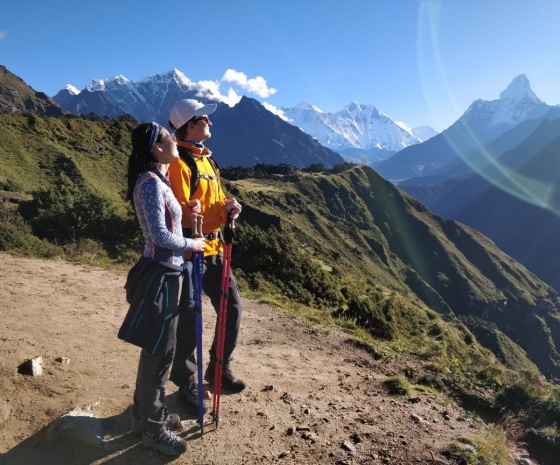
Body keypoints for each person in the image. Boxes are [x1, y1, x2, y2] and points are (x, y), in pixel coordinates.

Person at [125, 121, 205, 456]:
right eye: (170, 138)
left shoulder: (158, 180)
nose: (175, 142)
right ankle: (153, 431)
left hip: (167, 272)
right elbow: (159, 236)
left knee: (160, 350)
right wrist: (193, 243)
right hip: (162, 273)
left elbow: (164, 225)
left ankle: (143, 415)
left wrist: (187, 212)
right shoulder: (149, 183)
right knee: (160, 353)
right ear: (157, 148)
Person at [167, 99, 245, 415]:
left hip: (213, 247)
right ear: (189, 124)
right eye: (204, 119)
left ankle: (218, 368)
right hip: (190, 250)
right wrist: (214, 212)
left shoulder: (208, 162)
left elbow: (212, 201)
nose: (210, 123)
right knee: (190, 317)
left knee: (232, 307)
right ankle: (186, 379)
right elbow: (180, 213)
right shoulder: (179, 163)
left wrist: (229, 206)